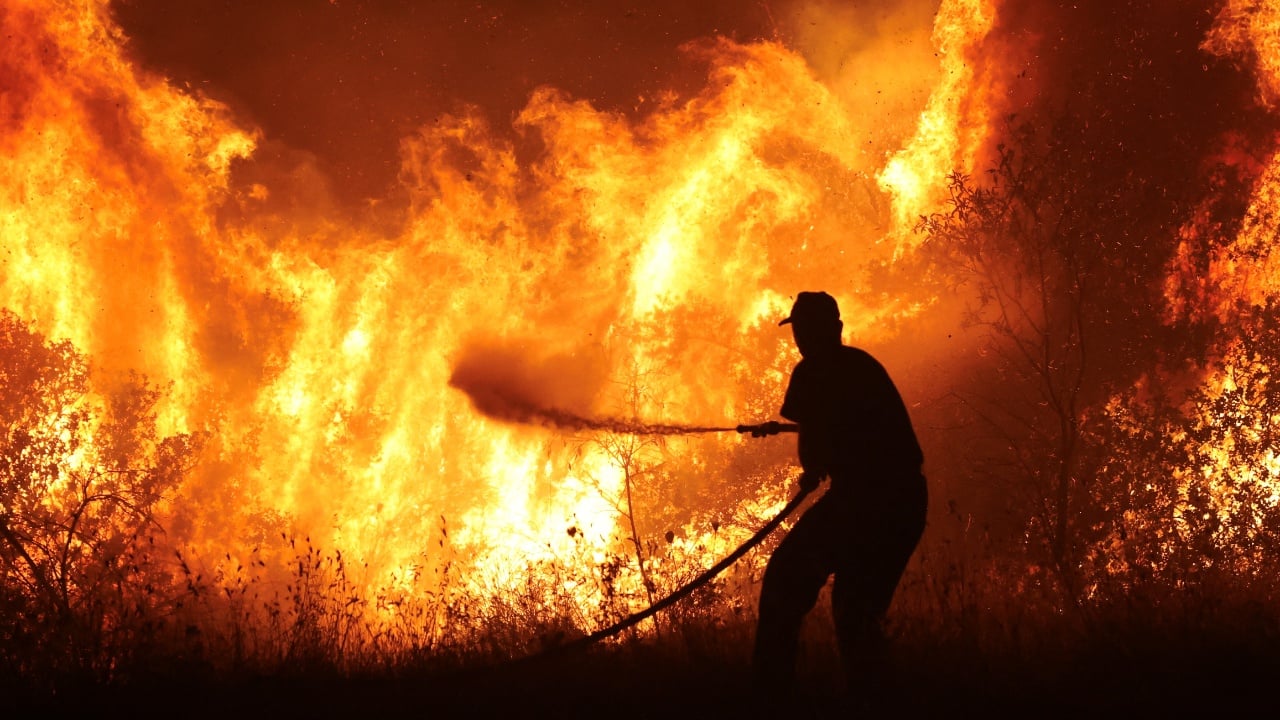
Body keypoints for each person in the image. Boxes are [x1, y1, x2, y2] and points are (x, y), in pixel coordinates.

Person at [750, 291, 927, 696]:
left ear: (830, 330)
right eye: (799, 331)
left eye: (804, 330)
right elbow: (852, 425)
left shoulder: (812, 371)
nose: (800, 339)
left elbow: (814, 453)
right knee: (857, 615)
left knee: (783, 581)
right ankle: (874, 701)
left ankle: (767, 697)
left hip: (865, 501)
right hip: (906, 502)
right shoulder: (862, 364)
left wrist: (811, 468)